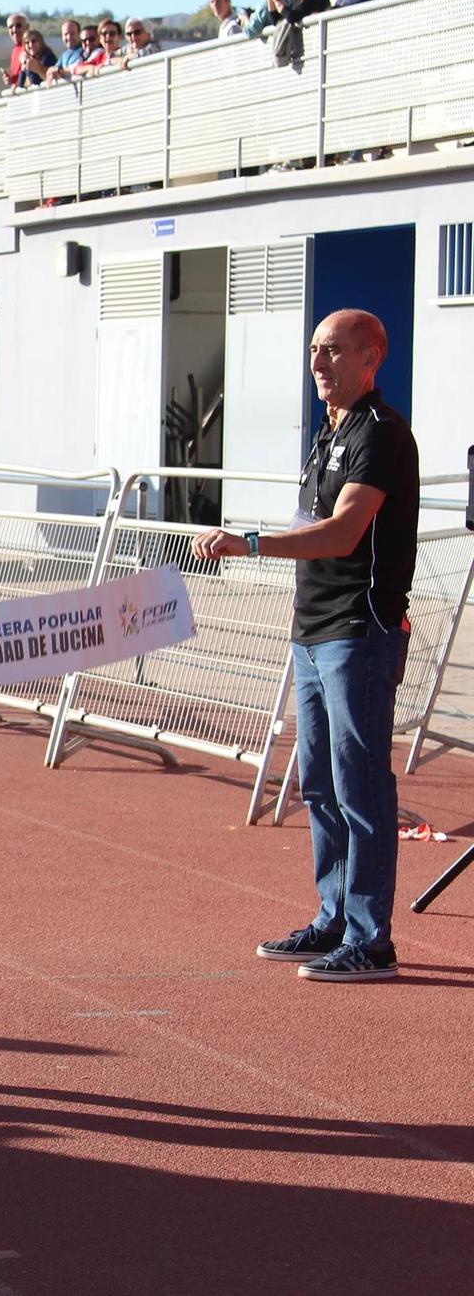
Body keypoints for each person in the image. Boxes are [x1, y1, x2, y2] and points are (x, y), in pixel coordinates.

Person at [192, 309, 418, 981]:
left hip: (359, 632)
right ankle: (334, 919)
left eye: (334, 351)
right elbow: (312, 524)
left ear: (371, 356)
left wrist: (249, 543)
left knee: (360, 784)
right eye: (315, 350)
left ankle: (372, 938)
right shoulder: (328, 432)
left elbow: (344, 532)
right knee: (318, 783)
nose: (318, 363)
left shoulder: (380, 433)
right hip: (313, 632)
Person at [0, 13, 29, 87]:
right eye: (10, 27)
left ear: (27, 27)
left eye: (18, 26)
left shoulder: (31, 46)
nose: (14, 30)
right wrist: (11, 80)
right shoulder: (15, 50)